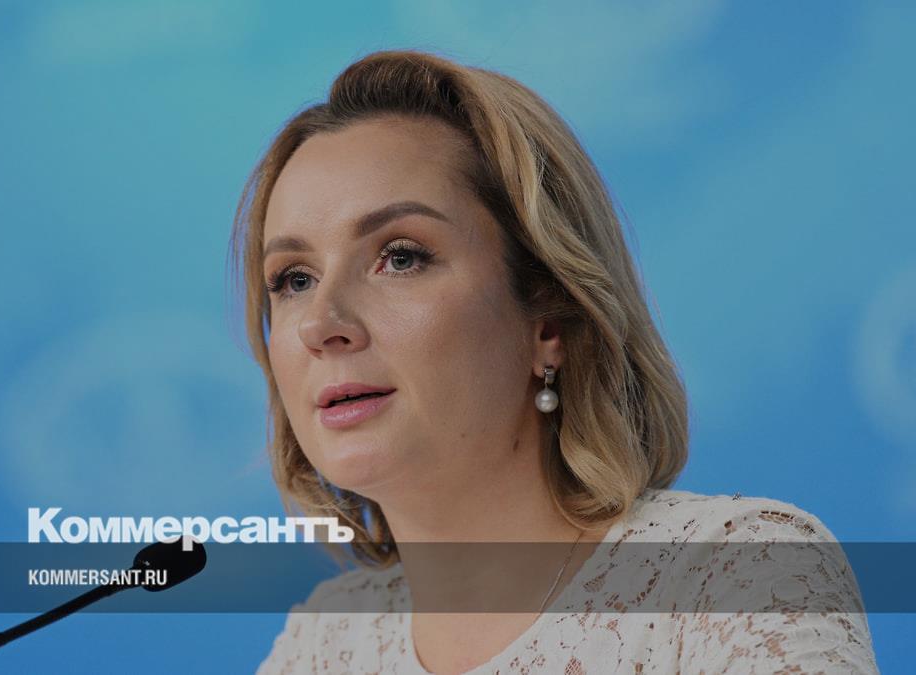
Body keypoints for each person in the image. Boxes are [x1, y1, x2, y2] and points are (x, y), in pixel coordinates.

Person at [230, 49, 878, 674]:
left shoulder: (734, 576)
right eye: (293, 279)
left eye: (400, 257)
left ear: (548, 319)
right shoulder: (326, 641)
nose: (320, 324)